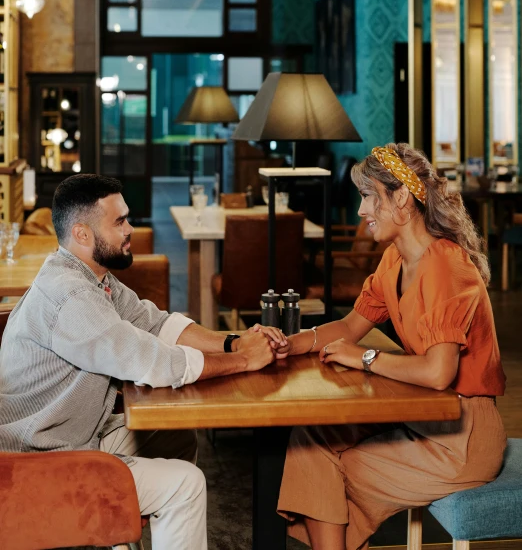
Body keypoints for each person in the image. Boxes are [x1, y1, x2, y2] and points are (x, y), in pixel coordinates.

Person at [0, 174, 287, 550]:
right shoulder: (70, 297)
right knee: (185, 485)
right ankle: (114, 523)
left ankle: (116, 532)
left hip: (75, 437)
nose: (130, 229)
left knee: (173, 433)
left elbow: (155, 323)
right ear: (82, 234)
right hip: (32, 466)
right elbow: (154, 363)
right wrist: (245, 363)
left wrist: (232, 343)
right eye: (119, 222)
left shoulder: (93, 277)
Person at [276, 143, 506, 550]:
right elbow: (350, 325)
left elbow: (438, 373)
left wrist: (364, 357)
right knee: (310, 437)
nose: (362, 210)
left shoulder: (445, 264)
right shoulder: (394, 261)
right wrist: (287, 345)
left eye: (368, 196)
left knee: (336, 466)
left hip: (461, 436)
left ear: (401, 197)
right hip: (420, 415)